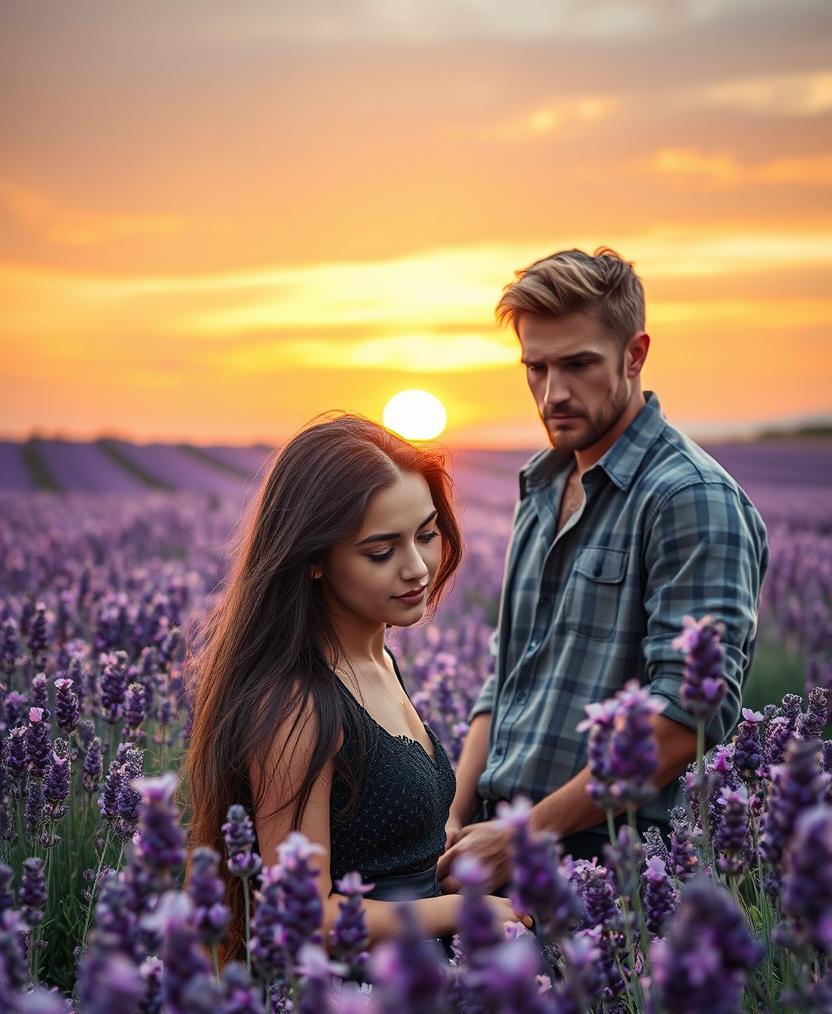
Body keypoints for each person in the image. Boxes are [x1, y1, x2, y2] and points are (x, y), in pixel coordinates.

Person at [439, 247, 768, 893]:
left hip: (605, 862)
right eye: (535, 368)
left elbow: (686, 718)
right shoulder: (545, 484)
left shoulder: (687, 497)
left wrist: (526, 834)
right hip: (497, 841)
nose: (553, 392)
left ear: (634, 354)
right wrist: (451, 815)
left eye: (579, 364)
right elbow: (504, 678)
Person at [185, 414, 524, 960]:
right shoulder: (297, 703)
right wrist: (456, 910)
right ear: (314, 559)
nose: (417, 568)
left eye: (427, 535)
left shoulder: (379, 662)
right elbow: (300, 915)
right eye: (381, 551)